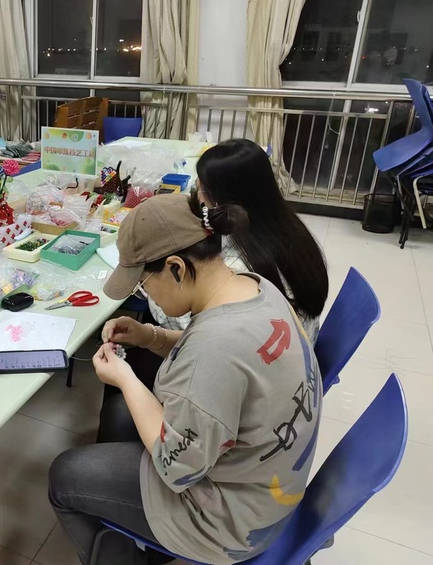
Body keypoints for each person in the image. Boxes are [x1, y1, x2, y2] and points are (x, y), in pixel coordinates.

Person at [49, 193, 321, 565]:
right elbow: (221, 358)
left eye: (144, 284)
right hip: (263, 482)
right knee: (118, 415)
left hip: (232, 524)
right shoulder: (253, 286)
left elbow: (176, 469)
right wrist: (150, 336)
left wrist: (125, 377)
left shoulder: (214, 347)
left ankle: (133, 552)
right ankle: (133, 535)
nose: (146, 294)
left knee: (63, 475)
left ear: (176, 268)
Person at [149, 138, 328, 344]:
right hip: (296, 343)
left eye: (202, 190)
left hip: (265, 353)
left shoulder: (238, 267)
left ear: (223, 199)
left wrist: (152, 286)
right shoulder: (290, 227)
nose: (199, 199)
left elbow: (196, 329)